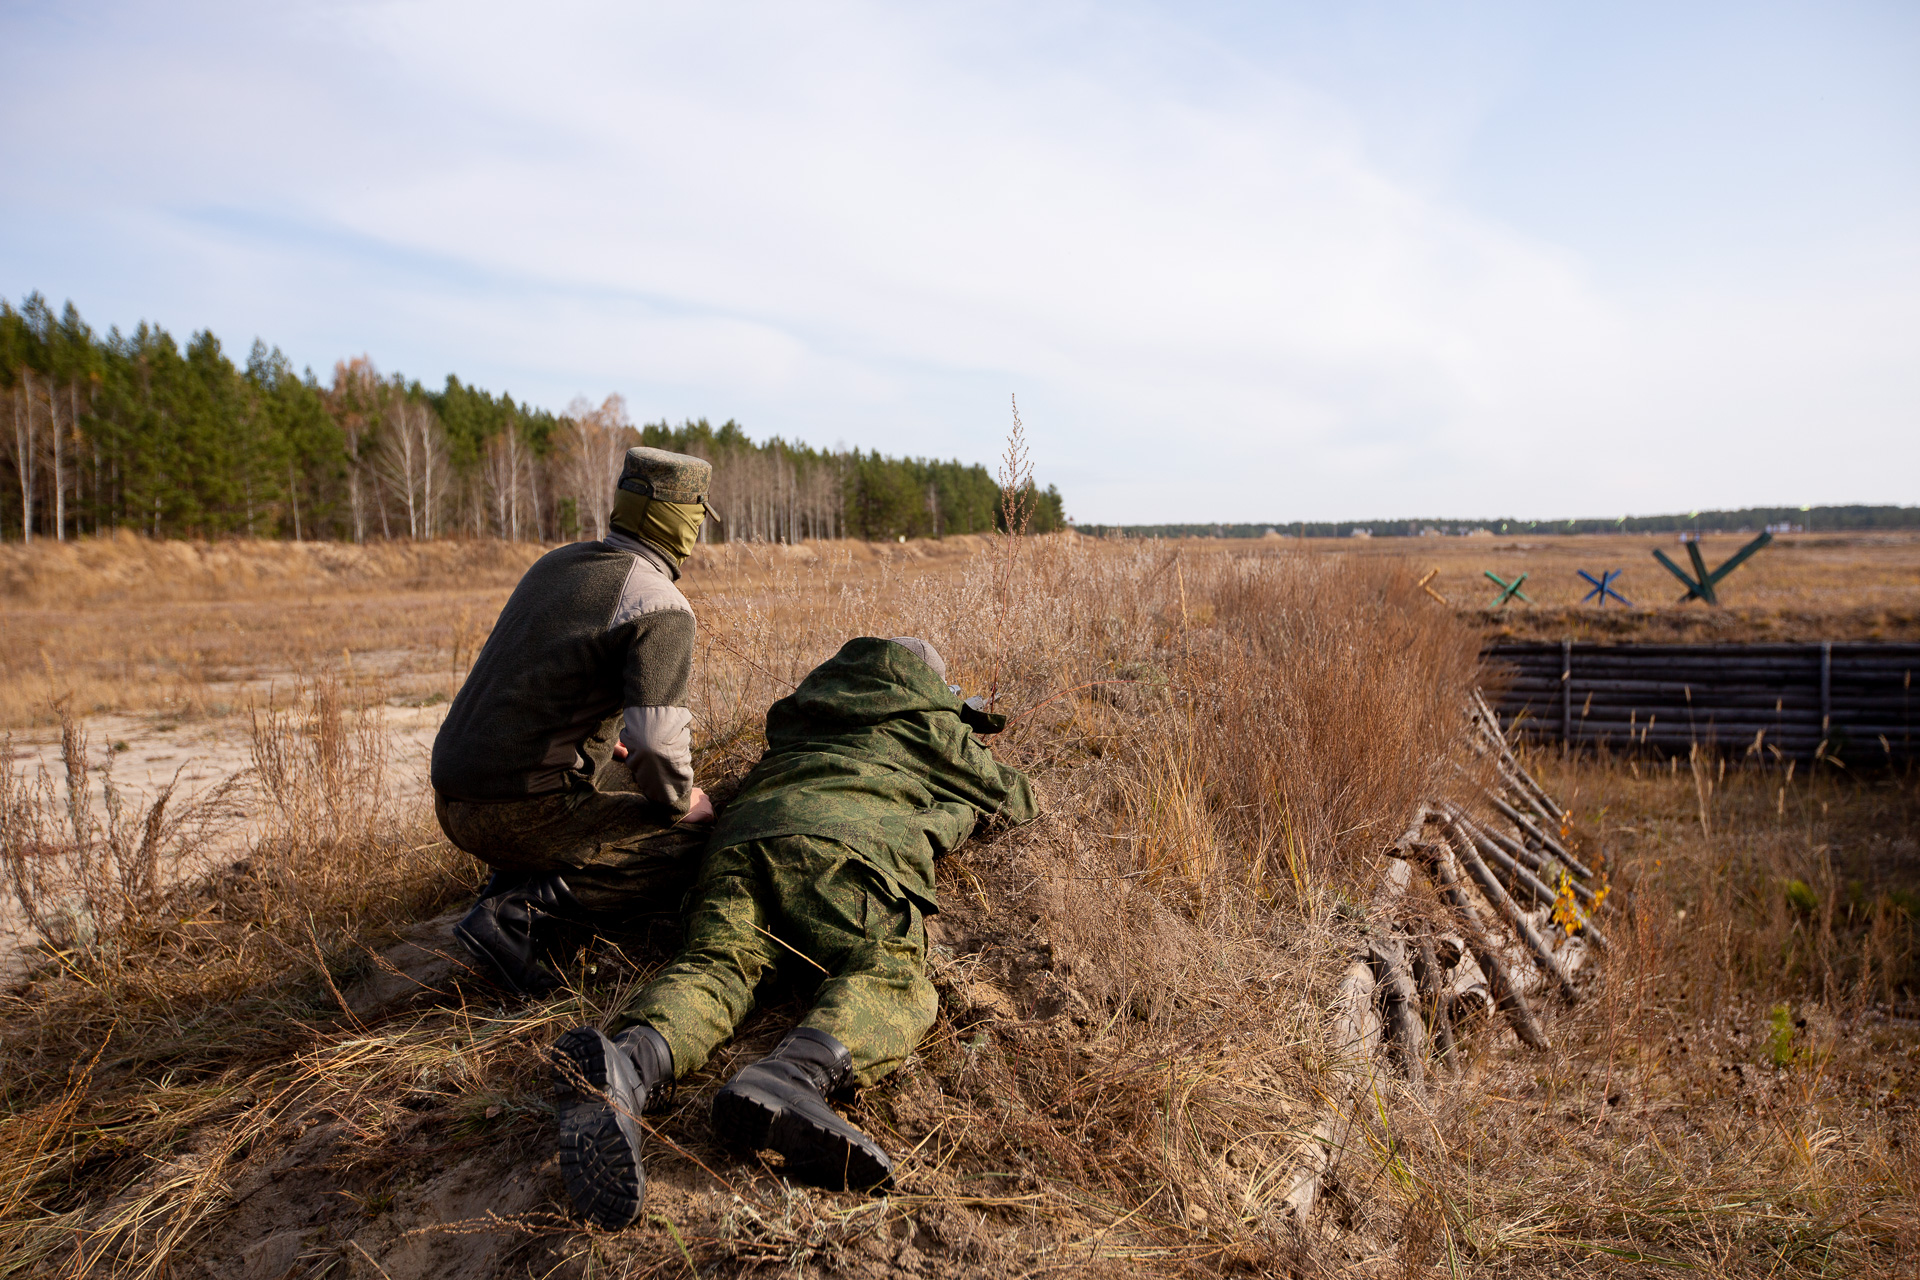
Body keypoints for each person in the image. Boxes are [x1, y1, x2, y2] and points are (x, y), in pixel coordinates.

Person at [547, 635, 1037, 1228]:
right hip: (842, 853)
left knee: (717, 965)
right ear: (929, 685)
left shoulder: (806, 712)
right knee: (891, 968)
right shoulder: (931, 723)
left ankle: (629, 1063)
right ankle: (795, 1075)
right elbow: (1017, 799)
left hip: (737, 847)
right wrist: (963, 742)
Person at [430, 446, 719, 995]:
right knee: (692, 849)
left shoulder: (556, 564)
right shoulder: (661, 604)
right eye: (700, 518)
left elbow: (535, 690)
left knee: (622, 773)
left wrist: (605, 746)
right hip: (515, 812)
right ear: (685, 521)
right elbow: (658, 747)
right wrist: (681, 805)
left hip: (452, 798)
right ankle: (517, 915)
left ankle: (512, 878)